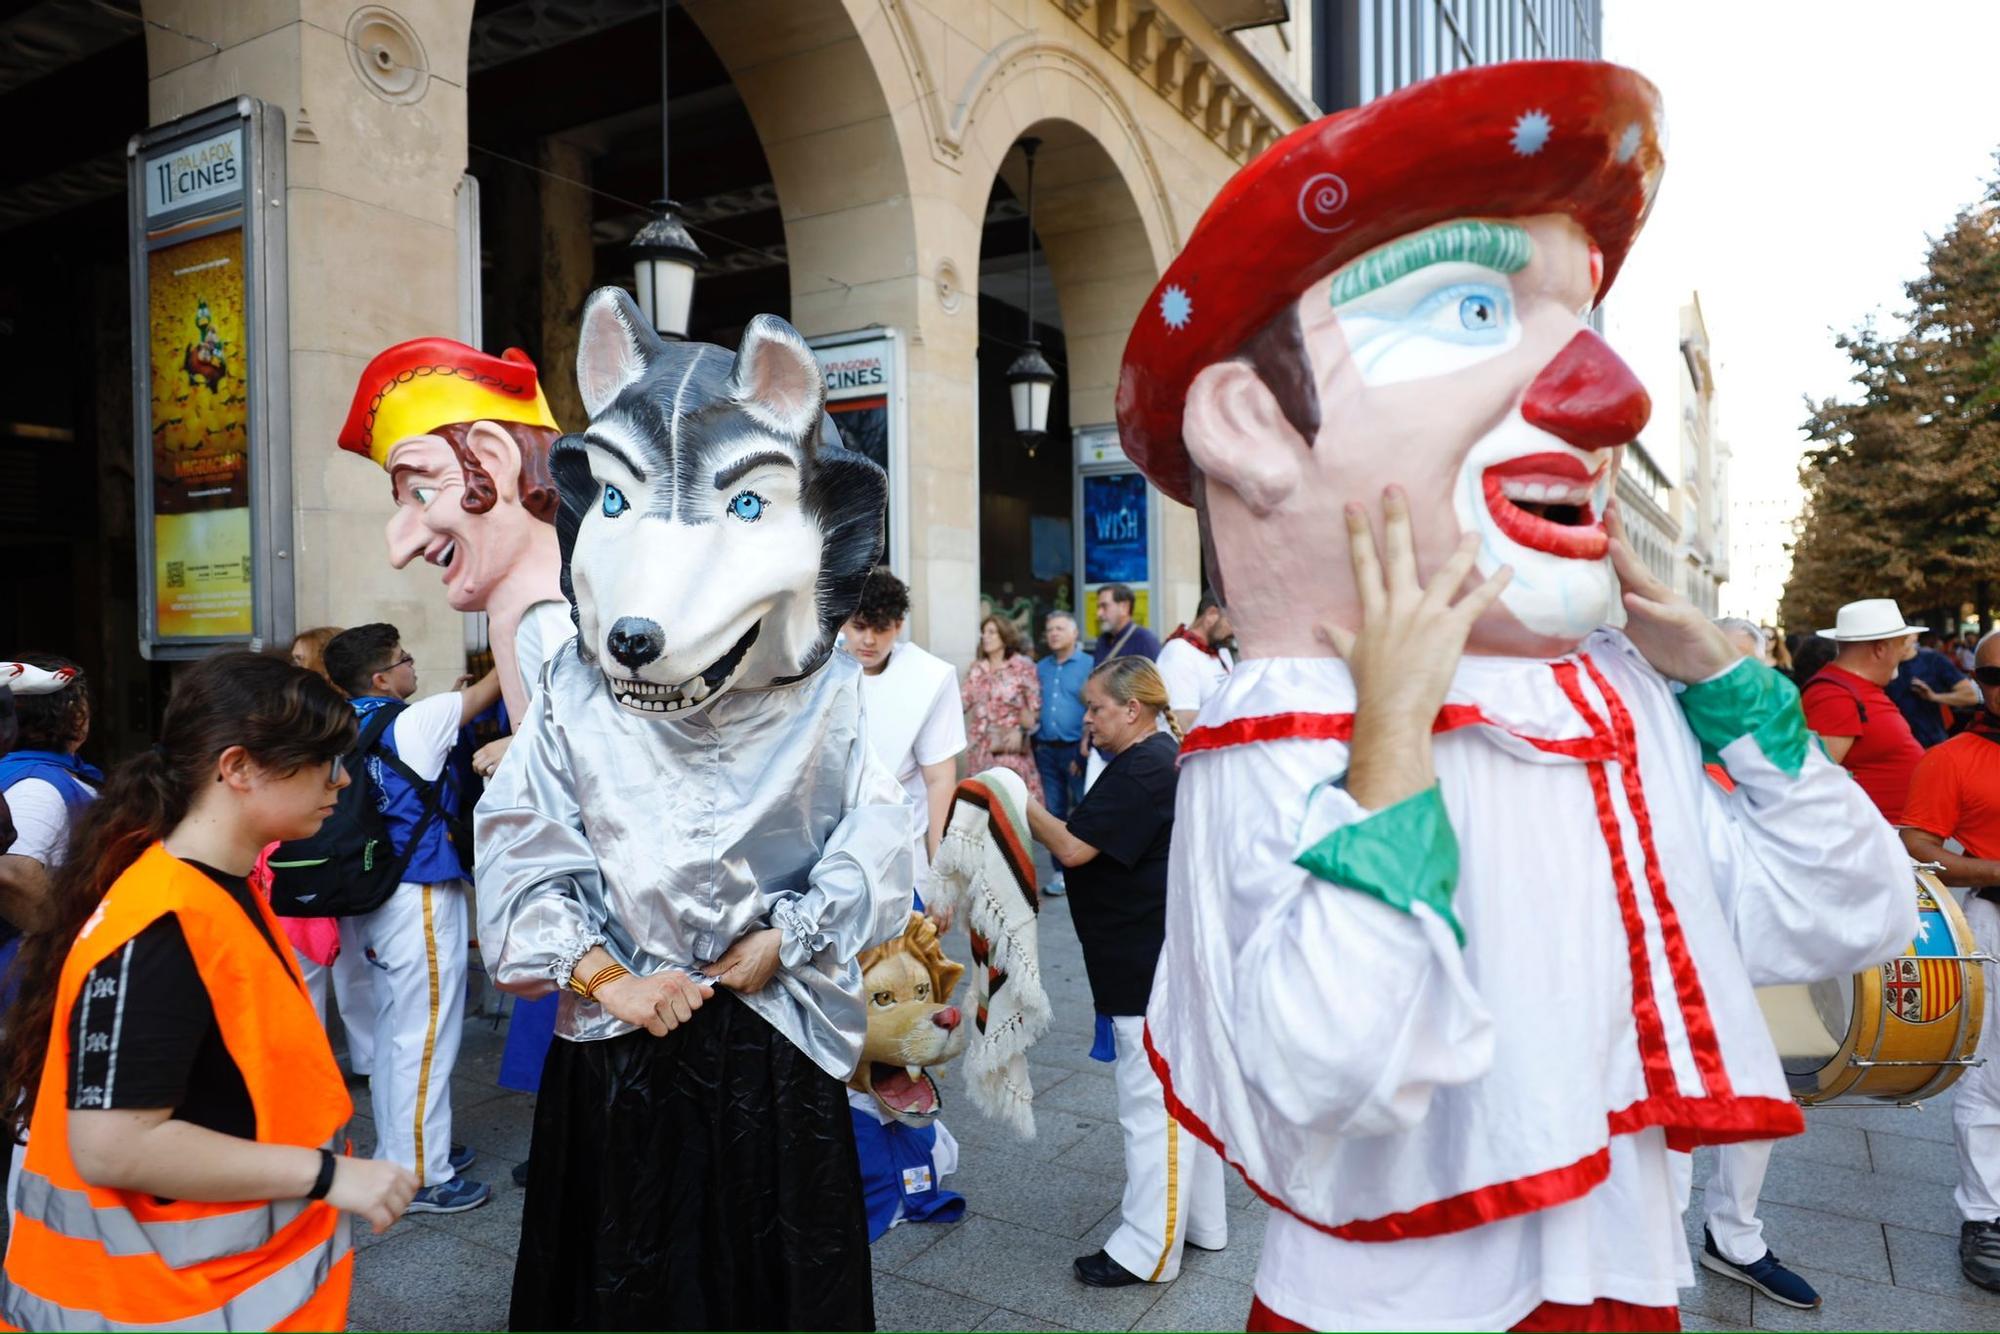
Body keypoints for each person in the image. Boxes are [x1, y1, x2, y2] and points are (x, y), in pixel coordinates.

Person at [1114, 60, 1912, 1331]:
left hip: (1622, 1282)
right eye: (1473, 310)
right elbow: (1324, 1072)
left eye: (1579, 318)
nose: (1606, 395)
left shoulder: (1617, 702)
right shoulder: (1273, 732)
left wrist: (1727, 689)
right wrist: (1387, 751)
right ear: (1251, 422)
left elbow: (1843, 911)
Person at [477, 297, 913, 1329]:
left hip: (776, 1037)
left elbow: (877, 833)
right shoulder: (575, 693)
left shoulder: (828, 692)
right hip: (622, 1041)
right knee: (623, 1266)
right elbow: (520, 842)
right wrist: (605, 975)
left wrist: (790, 933)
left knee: (771, 1275)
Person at [0, 651, 417, 1330]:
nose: (341, 780)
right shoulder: (164, 922)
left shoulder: (213, 886)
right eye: (323, 761)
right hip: (160, 1306)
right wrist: (330, 1176)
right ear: (238, 767)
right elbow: (113, 1145)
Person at [1024, 657, 1227, 1289]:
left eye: (1096, 708)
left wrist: (1013, 793)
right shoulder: (1153, 758)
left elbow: (1072, 848)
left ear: (1131, 709)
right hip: (1153, 953)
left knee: (1153, 1105)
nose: (1086, 720)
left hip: (1147, 962)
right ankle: (1200, 1223)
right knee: (1181, 1097)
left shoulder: (1144, 766)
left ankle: (1148, 1250)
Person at [323, 624, 500, 1214]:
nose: (410, 667)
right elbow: (496, 687)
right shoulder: (417, 721)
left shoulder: (338, 724)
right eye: (403, 660)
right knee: (426, 1038)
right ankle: (423, 1175)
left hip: (373, 894)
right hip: (419, 894)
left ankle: (406, 1152)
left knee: (401, 1030)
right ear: (380, 678)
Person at [1686, 619, 1822, 1310]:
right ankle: (1645, 1235)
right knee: (1663, 1096)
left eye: (1749, 667)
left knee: (1759, 1095)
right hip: (1672, 951)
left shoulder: (1783, 735)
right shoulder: (1668, 743)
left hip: (1758, 951)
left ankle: (1734, 1235)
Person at [1898, 630, 2000, 1293]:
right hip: (1991, 920)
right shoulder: (1951, 758)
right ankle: (1986, 1213)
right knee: (1988, 1075)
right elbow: (1918, 842)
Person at [840, 566, 966, 870]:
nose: (869, 640)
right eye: (860, 626)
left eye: (880, 628)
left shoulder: (927, 677)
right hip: (829, 845)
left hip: (900, 852)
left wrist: (941, 871)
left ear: (898, 626)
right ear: (843, 622)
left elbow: (939, 780)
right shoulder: (817, 669)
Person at [1800, 599, 1928, 823]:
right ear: (1880, 649)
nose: (1904, 654)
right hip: (1876, 836)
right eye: (1901, 646)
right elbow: (1817, 780)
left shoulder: (1849, 688)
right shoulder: (1834, 696)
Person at [1033, 611, 1092, 897]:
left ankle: (1087, 867)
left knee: (1083, 807)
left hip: (1075, 750)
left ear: (1074, 633)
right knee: (1054, 811)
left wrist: (1086, 741)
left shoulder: (1088, 665)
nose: (1053, 633)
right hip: (1045, 749)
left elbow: (1095, 706)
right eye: (1049, 629)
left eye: (1059, 628)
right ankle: (1060, 872)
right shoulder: (1040, 667)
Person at [963, 614, 1044, 804]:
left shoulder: (1022, 666)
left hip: (1009, 747)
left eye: (992, 632)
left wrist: (1021, 731)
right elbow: (962, 703)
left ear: (1004, 635)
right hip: (980, 750)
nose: (986, 636)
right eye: (983, 632)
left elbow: (1035, 709)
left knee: (1014, 806)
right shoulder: (977, 669)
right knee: (982, 809)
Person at [1155, 591, 1236, 734]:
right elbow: (1185, 722)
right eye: (1231, 621)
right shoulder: (1178, 653)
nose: (1235, 630)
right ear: (1211, 614)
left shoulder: (1221, 650)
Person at [1889, 631, 1979, 748]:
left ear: (1914, 636)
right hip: (1894, 745)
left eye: (1903, 635)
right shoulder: (1882, 664)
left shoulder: (1933, 660)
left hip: (1930, 742)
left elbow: (1971, 696)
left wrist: (1934, 697)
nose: (1899, 641)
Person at [1091, 584, 1160, 665]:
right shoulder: (1102, 640)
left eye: (1104, 606)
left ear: (1124, 607)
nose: (1099, 613)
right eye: (1098, 607)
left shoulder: (1145, 641)